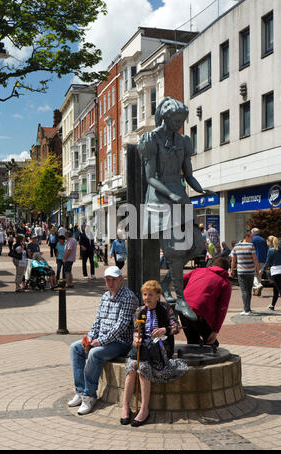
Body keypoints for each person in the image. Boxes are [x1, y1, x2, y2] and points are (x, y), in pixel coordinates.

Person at [137, 97, 215, 320]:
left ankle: (166, 283)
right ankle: (180, 300)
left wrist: (200, 189)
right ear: (166, 117)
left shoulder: (183, 141)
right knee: (174, 251)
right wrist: (170, 193)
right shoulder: (151, 140)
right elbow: (150, 177)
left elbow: (188, 174)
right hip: (160, 197)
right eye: (177, 119)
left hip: (179, 196)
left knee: (198, 245)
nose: (180, 124)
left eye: (182, 120)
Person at [68, 266, 139, 415]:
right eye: (108, 280)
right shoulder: (105, 296)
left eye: (114, 279)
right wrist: (89, 337)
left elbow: (121, 326)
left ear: (121, 280)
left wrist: (101, 341)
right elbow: (98, 321)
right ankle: (80, 391)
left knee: (95, 354)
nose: (111, 283)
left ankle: (89, 395)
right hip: (101, 339)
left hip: (120, 342)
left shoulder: (129, 297)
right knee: (75, 348)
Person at [120, 280, 188, 427]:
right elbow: (135, 330)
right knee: (132, 367)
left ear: (158, 296)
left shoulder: (166, 308)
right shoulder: (139, 311)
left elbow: (176, 326)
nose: (147, 298)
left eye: (150, 295)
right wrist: (136, 337)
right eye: (144, 294)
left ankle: (144, 409)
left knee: (142, 368)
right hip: (143, 348)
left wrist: (165, 330)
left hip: (161, 348)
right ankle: (125, 406)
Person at [181, 257, 232, 346]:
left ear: (213, 265)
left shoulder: (198, 271)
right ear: (227, 270)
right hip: (199, 313)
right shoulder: (225, 283)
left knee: (192, 342)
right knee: (211, 344)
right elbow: (222, 309)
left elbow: (180, 281)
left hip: (183, 308)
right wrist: (215, 331)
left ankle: (193, 359)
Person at [231, 231, 260, 316]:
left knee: (244, 290)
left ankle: (246, 309)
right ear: (246, 237)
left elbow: (233, 260)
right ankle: (248, 308)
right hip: (250, 271)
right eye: (251, 237)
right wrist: (257, 268)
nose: (252, 239)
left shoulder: (236, 246)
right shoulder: (251, 246)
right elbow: (255, 258)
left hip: (241, 272)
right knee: (248, 290)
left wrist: (232, 270)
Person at [260, 236, 281, 313]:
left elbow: (268, 262)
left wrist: (262, 269)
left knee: (280, 288)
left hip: (275, 271)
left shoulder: (271, 250)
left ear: (269, 242)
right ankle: (272, 305)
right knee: (276, 288)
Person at [251, 228, 268, 297]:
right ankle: (256, 291)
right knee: (259, 275)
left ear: (252, 232)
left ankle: (258, 285)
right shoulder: (263, 239)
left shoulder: (252, 239)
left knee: (253, 275)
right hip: (263, 259)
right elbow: (266, 249)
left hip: (254, 259)